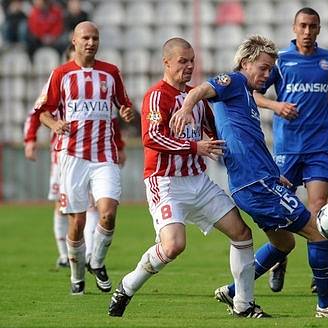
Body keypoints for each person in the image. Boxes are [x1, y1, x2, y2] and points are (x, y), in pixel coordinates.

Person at [170, 34, 328, 317]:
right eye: (264, 68)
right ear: (246, 63)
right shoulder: (233, 81)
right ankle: (326, 305)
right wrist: (185, 107)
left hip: (259, 182)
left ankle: (232, 291)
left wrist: (275, 174)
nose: (268, 75)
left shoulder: (246, 97)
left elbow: (253, 142)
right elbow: (202, 90)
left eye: (271, 69)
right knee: (318, 233)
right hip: (255, 185)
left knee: (284, 243)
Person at [108, 37, 268, 319]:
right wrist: (196, 146)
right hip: (165, 182)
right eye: (183, 61)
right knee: (173, 246)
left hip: (198, 182)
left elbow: (215, 132)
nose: (189, 66)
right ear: (166, 62)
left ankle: (244, 304)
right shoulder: (157, 96)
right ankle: (127, 286)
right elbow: (152, 137)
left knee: (242, 234)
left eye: (192, 60)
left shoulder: (196, 97)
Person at [252, 7, 328, 293]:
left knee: (319, 209)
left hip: (320, 147)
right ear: (294, 28)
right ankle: (279, 259)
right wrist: (276, 106)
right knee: (283, 210)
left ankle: (319, 273)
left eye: (313, 26)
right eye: (303, 26)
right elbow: (255, 93)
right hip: (288, 148)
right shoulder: (281, 61)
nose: (307, 32)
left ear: (319, 29)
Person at [37, 21, 135, 295]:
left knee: (107, 214)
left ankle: (97, 262)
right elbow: (43, 111)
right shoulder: (62, 74)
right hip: (74, 157)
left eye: (95, 38)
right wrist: (55, 125)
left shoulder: (111, 72)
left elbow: (124, 106)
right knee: (77, 222)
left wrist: (127, 114)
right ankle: (76, 275)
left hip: (104, 155)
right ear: (74, 41)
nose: (91, 42)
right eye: (85, 38)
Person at [24, 44, 127, 268]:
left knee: (93, 207)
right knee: (65, 208)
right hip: (64, 153)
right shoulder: (60, 78)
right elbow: (37, 112)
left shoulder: (104, 78)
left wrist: (119, 144)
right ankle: (65, 254)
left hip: (98, 153)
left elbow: (111, 117)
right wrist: (31, 139)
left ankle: (90, 254)